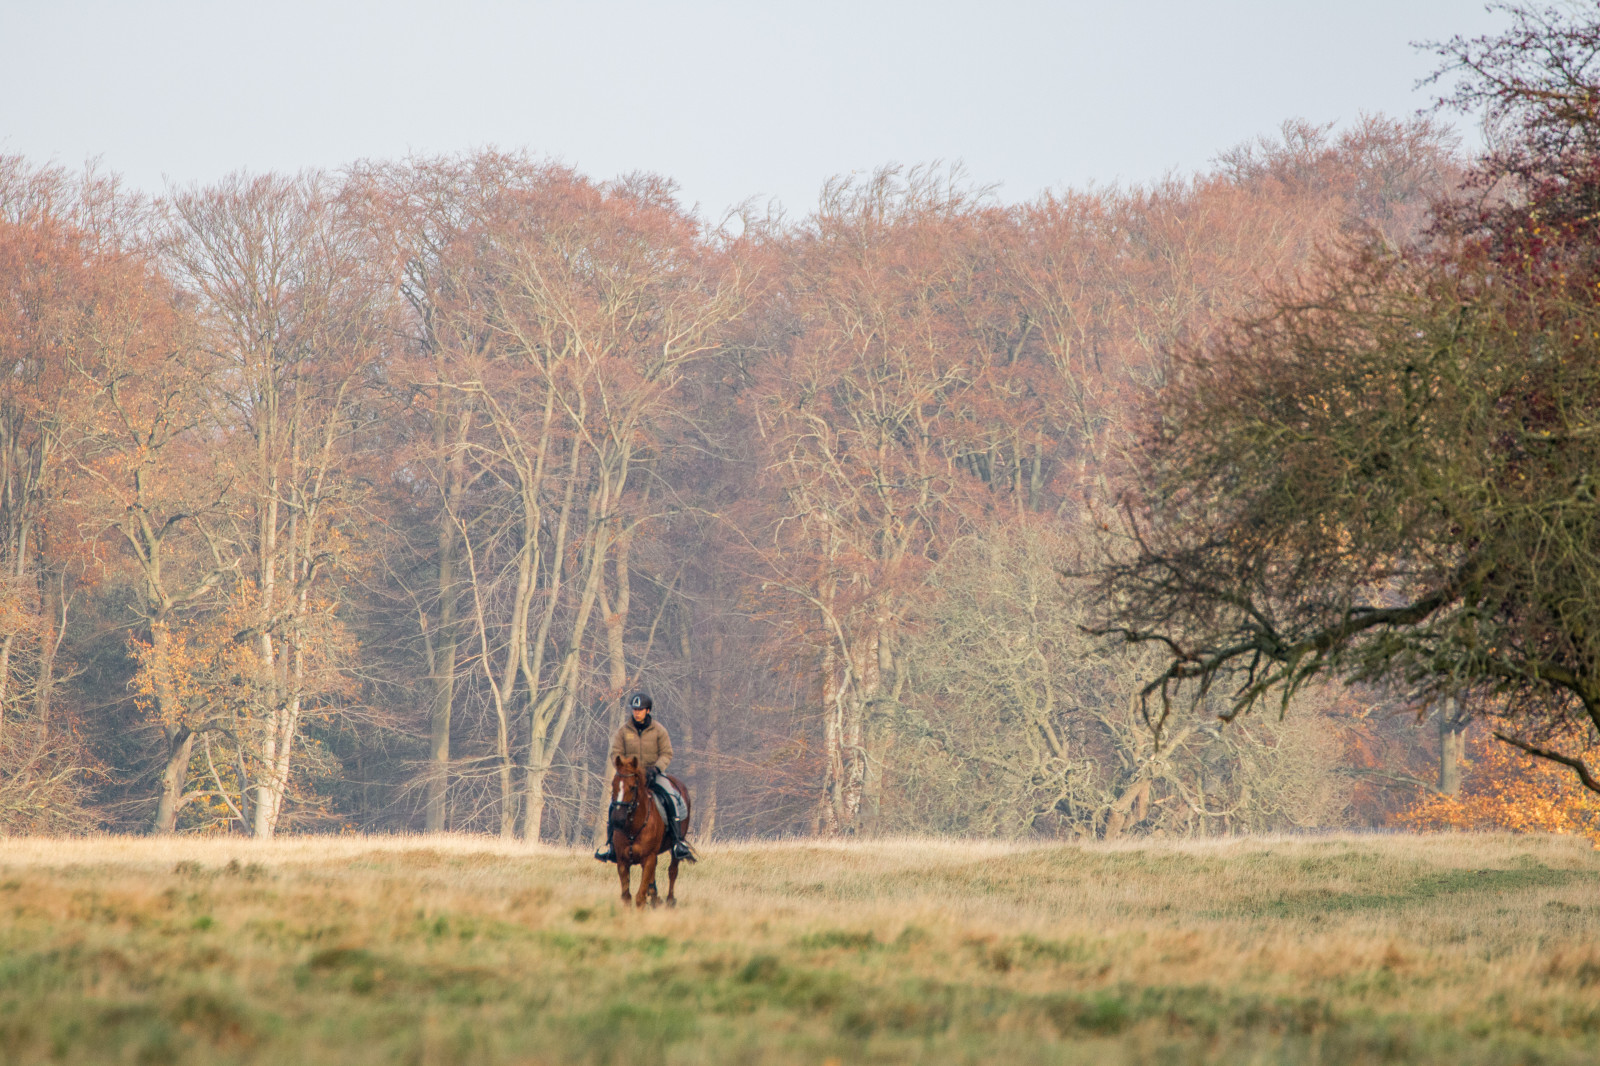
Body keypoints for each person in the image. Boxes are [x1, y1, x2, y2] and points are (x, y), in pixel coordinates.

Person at [594, 692, 693, 862]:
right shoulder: (624, 731)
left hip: (653, 774)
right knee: (614, 804)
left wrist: (657, 768)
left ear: (648, 711)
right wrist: (625, 767)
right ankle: (610, 845)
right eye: (634, 709)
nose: (636, 713)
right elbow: (616, 753)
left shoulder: (659, 730)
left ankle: (677, 842)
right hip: (630, 775)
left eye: (640, 710)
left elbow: (667, 753)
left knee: (672, 797)